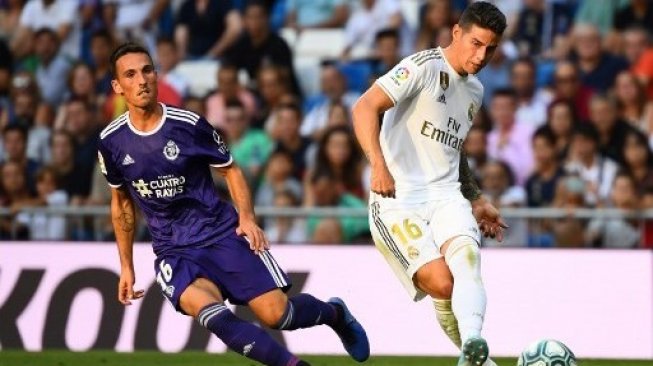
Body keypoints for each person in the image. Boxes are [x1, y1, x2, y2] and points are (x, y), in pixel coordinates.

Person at [97, 42, 369, 366]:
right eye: (130, 74)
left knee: (278, 315)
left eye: (146, 70)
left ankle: (335, 314)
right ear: (117, 86)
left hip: (221, 232)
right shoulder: (111, 142)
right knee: (213, 315)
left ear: (156, 75)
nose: (141, 80)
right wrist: (126, 265)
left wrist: (247, 218)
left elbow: (230, 169)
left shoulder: (188, 125)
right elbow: (122, 203)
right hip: (174, 250)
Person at [351, 2, 507, 365]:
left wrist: (476, 197)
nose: (482, 55)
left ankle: (472, 345)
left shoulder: (475, 92)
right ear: (456, 33)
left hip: (446, 194)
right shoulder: (422, 67)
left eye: (491, 48)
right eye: (476, 43)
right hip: (397, 197)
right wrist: (378, 165)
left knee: (467, 260)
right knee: (442, 284)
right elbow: (364, 107)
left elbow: (455, 148)